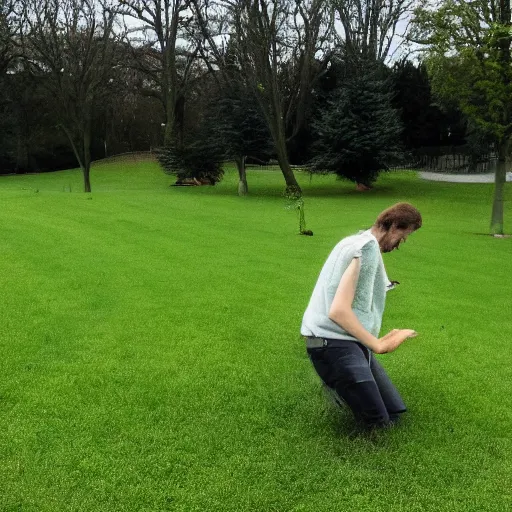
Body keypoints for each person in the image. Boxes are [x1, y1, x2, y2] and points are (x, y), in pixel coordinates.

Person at [301, 202, 422, 430]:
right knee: (377, 424)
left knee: (395, 412)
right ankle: (338, 384)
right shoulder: (365, 248)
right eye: (403, 237)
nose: (399, 244)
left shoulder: (355, 240)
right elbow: (338, 311)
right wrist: (377, 344)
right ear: (394, 226)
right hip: (330, 344)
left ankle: (345, 385)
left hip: (348, 342)